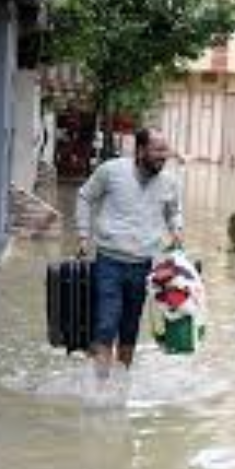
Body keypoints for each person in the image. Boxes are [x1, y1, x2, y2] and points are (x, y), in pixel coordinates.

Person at [76, 128, 183, 376]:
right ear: (141, 150)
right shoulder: (111, 171)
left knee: (129, 328)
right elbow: (84, 196)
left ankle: (121, 386)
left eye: (165, 150)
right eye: (158, 150)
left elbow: (174, 211)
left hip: (144, 266)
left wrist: (177, 229)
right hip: (109, 262)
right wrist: (83, 234)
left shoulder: (170, 182)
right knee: (106, 324)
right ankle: (100, 386)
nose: (163, 155)